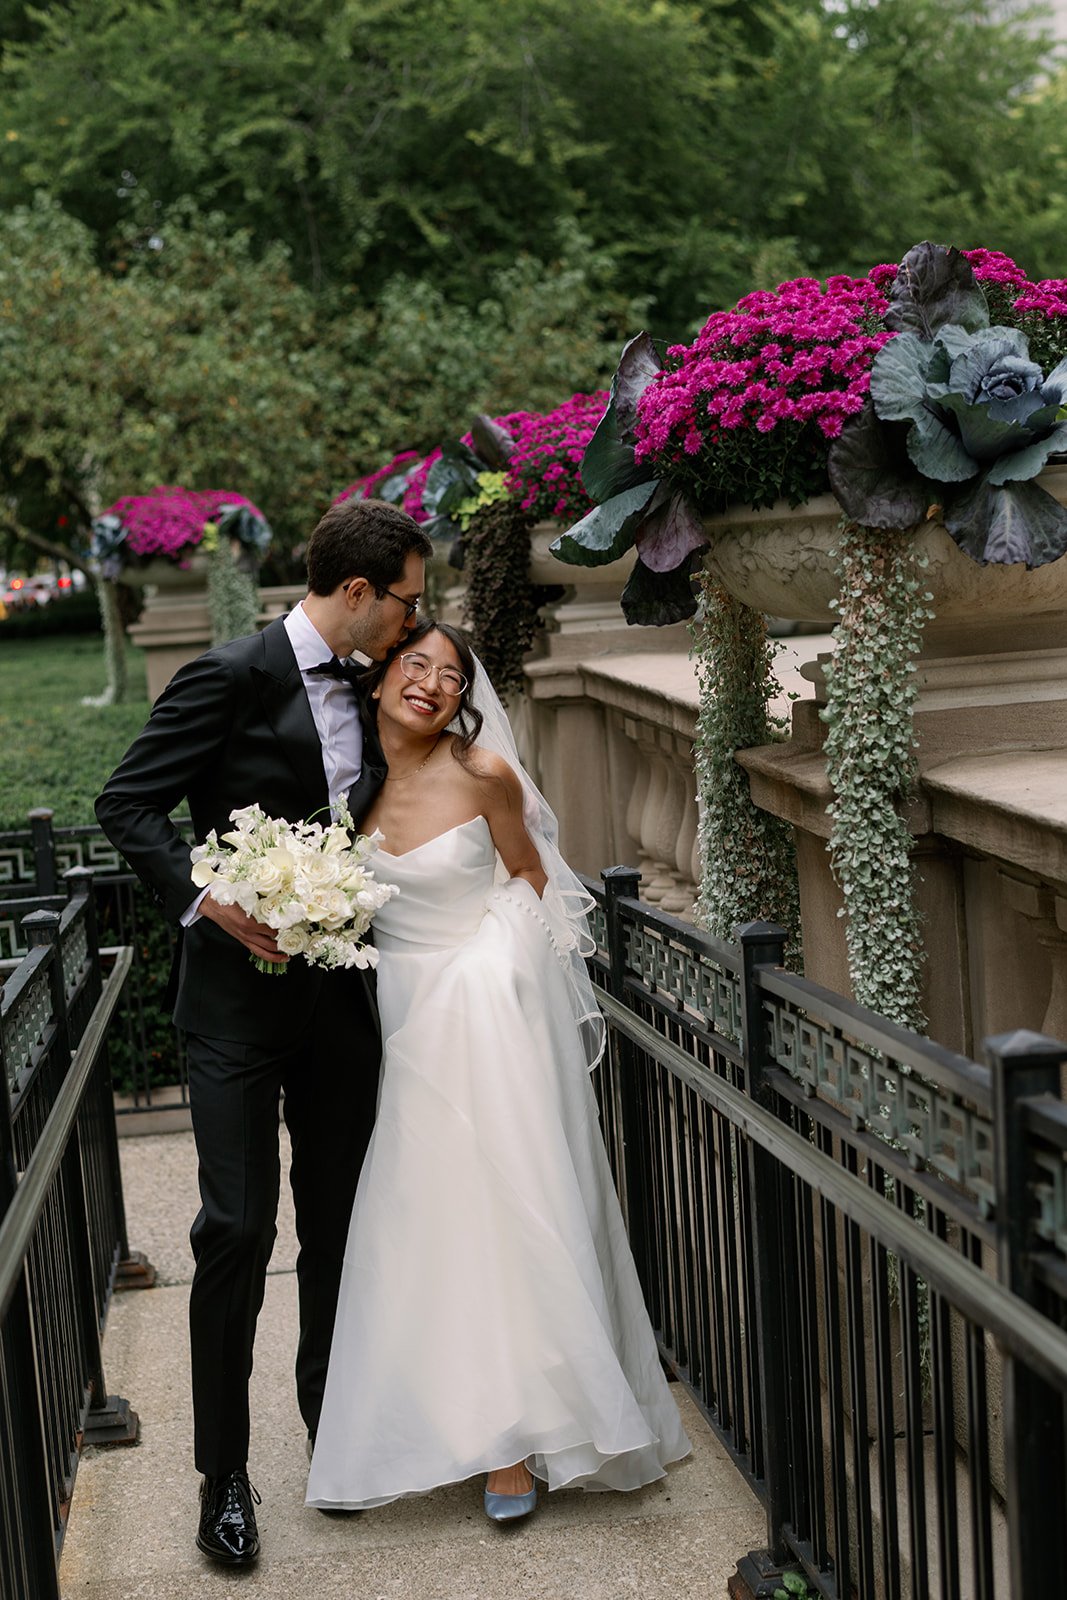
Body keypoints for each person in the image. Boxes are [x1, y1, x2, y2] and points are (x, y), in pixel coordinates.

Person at [95, 498, 433, 1567]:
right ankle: (222, 1477)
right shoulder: (227, 677)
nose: (417, 620)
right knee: (235, 1229)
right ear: (356, 593)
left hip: (339, 1008)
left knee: (336, 1224)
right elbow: (129, 805)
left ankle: (332, 1429)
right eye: (408, 600)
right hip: (232, 1011)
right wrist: (210, 903)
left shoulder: (385, 678)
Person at [305, 620, 689, 1521]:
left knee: (499, 1206)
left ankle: (517, 1439)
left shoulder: (485, 776)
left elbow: (534, 885)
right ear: (379, 675)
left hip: (480, 1013)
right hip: (395, 1012)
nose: (432, 684)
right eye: (416, 664)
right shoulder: (341, 788)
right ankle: (425, 1419)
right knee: (418, 1220)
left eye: (451, 674)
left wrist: (491, 969)